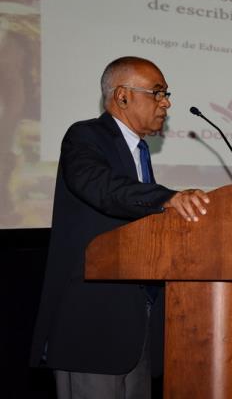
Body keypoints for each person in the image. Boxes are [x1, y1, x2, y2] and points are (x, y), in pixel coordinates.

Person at [29, 56, 211, 399]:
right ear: (123, 96)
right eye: (158, 93)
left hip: (136, 324)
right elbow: (101, 187)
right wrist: (167, 198)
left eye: (166, 94)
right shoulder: (85, 136)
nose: (167, 102)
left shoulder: (140, 153)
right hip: (92, 324)